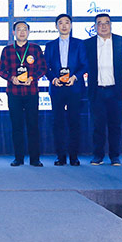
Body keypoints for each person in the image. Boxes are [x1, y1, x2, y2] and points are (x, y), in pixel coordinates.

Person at [0, 21, 46, 167]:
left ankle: (35, 159)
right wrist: (11, 78)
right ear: (14, 33)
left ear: (29, 32)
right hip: (14, 93)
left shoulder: (35, 49)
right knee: (17, 126)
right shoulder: (7, 50)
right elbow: (1, 70)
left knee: (33, 126)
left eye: (25, 29)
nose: (22, 32)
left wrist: (32, 78)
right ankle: (18, 158)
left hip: (31, 92)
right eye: (19, 29)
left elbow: (43, 68)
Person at [45, 13, 88, 166]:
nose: (64, 25)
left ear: (71, 25)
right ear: (56, 26)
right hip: (57, 88)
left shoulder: (79, 44)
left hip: (74, 88)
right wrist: (53, 79)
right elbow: (45, 66)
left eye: (67, 22)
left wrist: (75, 77)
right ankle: (60, 156)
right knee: (58, 122)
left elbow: (85, 64)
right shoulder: (50, 45)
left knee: (74, 122)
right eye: (61, 23)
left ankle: (74, 156)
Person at [84, 13, 122, 166]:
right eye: (99, 23)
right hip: (97, 91)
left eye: (106, 23)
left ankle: (115, 156)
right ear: (95, 26)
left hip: (115, 90)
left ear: (111, 25)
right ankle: (98, 156)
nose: (103, 26)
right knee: (98, 126)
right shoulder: (87, 44)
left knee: (115, 125)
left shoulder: (121, 41)